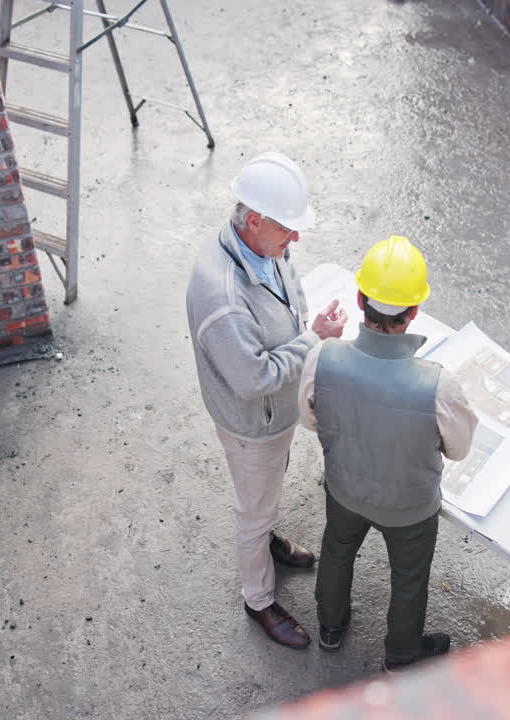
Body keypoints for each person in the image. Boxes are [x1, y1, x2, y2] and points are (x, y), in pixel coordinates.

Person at [186, 151, 347, 649]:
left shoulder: (263, 244)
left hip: (276, 413)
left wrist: (305, 322)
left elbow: (289, 282)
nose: (295, 239)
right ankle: (258, 599)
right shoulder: (223, 298)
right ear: (253, 219)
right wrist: (314, 339)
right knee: (252, 508)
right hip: (251, 422)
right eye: (287, 229)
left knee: (268, 488)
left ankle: (267, 536)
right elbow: (254, 379)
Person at [298, 235, 478, 671]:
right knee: (409, 579)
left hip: (344, 489)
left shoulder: (322, 357)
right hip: (410, 509)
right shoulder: (440, 385)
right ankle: (401, 653)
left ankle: (330, 626)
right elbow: (459, 448)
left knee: (338, 549)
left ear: (360, 299)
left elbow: (309, 418)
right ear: (414, 312)